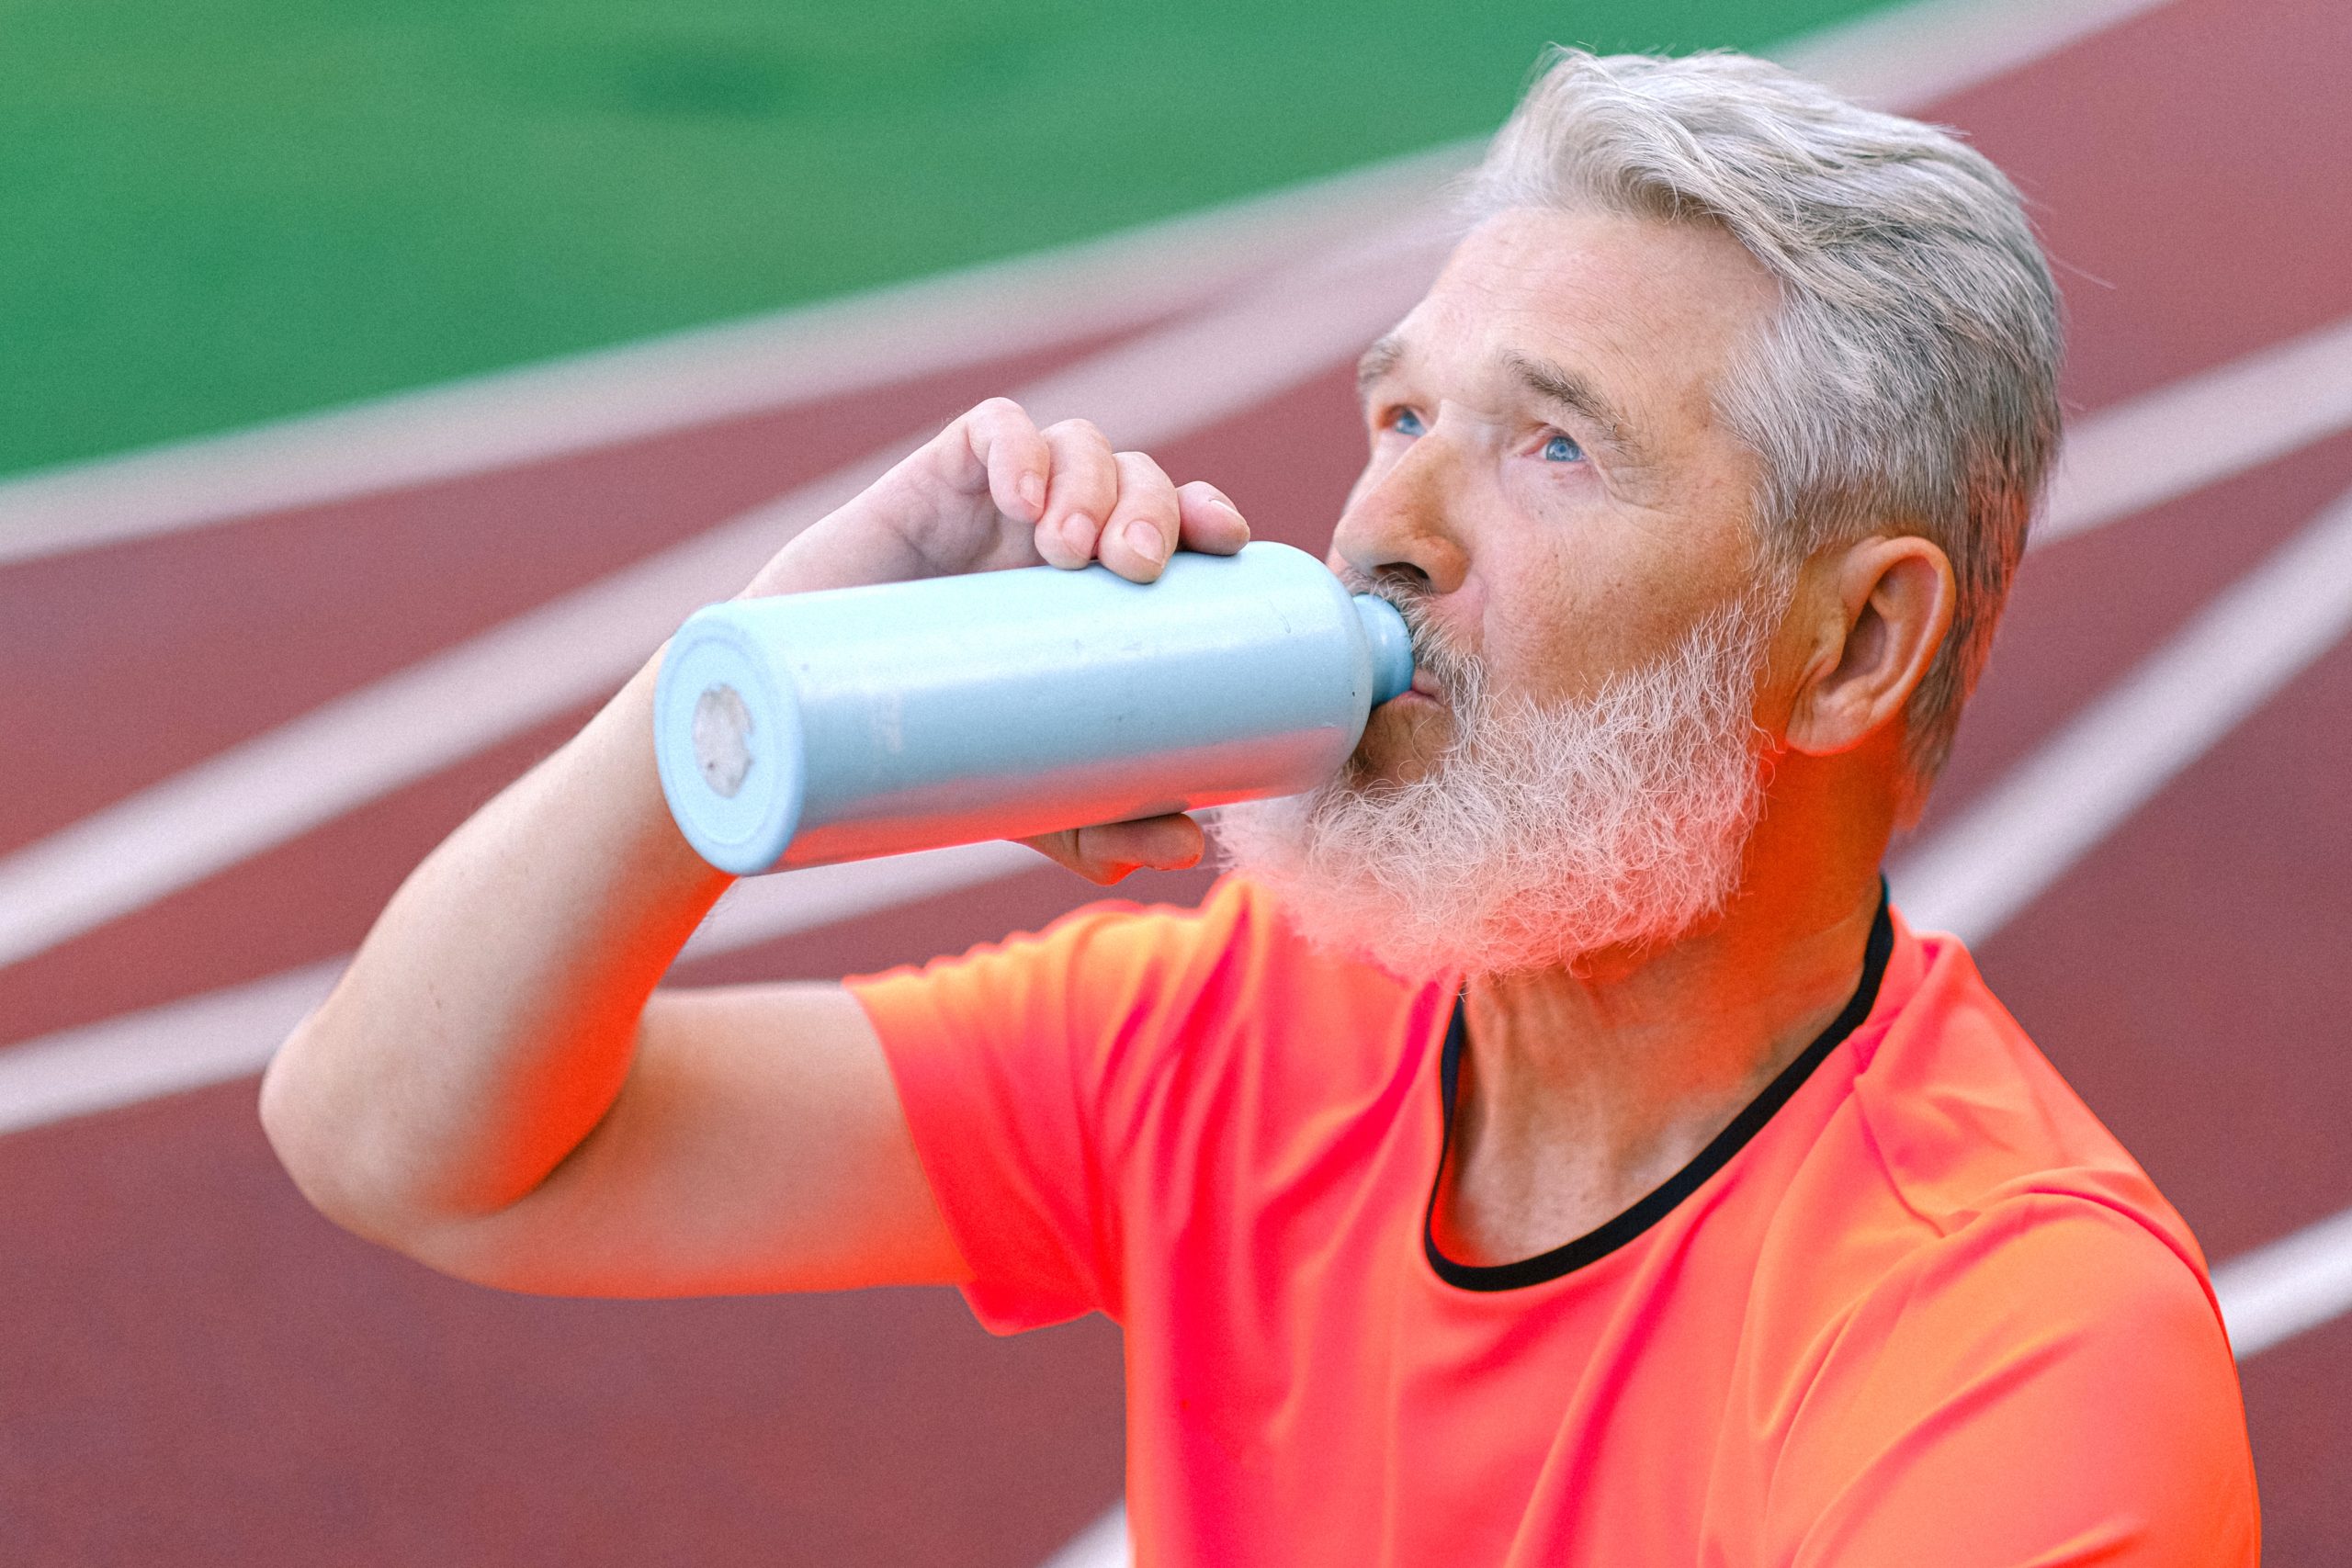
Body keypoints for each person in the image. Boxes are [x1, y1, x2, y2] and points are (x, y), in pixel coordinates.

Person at [261, 48, 2260, 1565]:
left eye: (1551, 447)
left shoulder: (2010, 1354)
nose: (1379, 529)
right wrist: (751, 671)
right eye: (1399, 415)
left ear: (1844, 649)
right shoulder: (1249, 1027)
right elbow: (416, 1148)